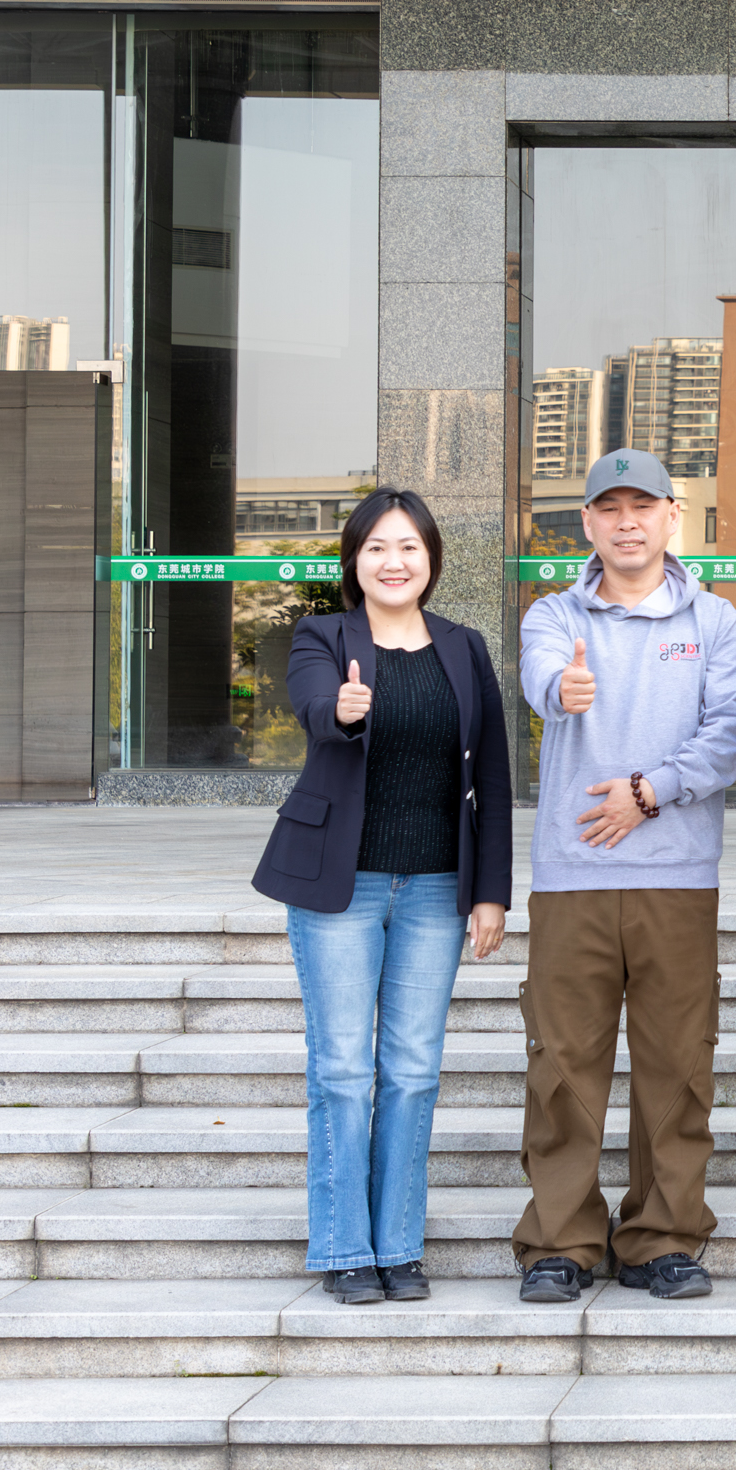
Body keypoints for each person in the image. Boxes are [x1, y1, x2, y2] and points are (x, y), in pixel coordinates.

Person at [250, 487, 512, 1305]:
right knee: (340, 1070)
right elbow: (312, 705)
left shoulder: (465, 648)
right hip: (342, 886)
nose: (393, 562)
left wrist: (492, 892)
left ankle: (397, 1246)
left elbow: (494, 777)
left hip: (437, 888)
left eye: (408, 547)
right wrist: (343, 708)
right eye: (376, 548)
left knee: (412, 1071)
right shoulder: (323, 637)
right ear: (354, 561)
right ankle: (343, 1248)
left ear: (430, 559)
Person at [510, 448, 736, 1304]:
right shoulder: (552, 615)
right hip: (571, 878)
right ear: (586, 522)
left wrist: (650, 792)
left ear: (670, 517)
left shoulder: (714, 622)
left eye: (642, 506)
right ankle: (561, 1243)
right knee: (561, 1066)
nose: (626, 522)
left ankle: (664, 1238)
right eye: (609, 508)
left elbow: (731, 735)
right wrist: (565, 689)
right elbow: (542, 677)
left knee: (677, 1068)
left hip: (676, 878)